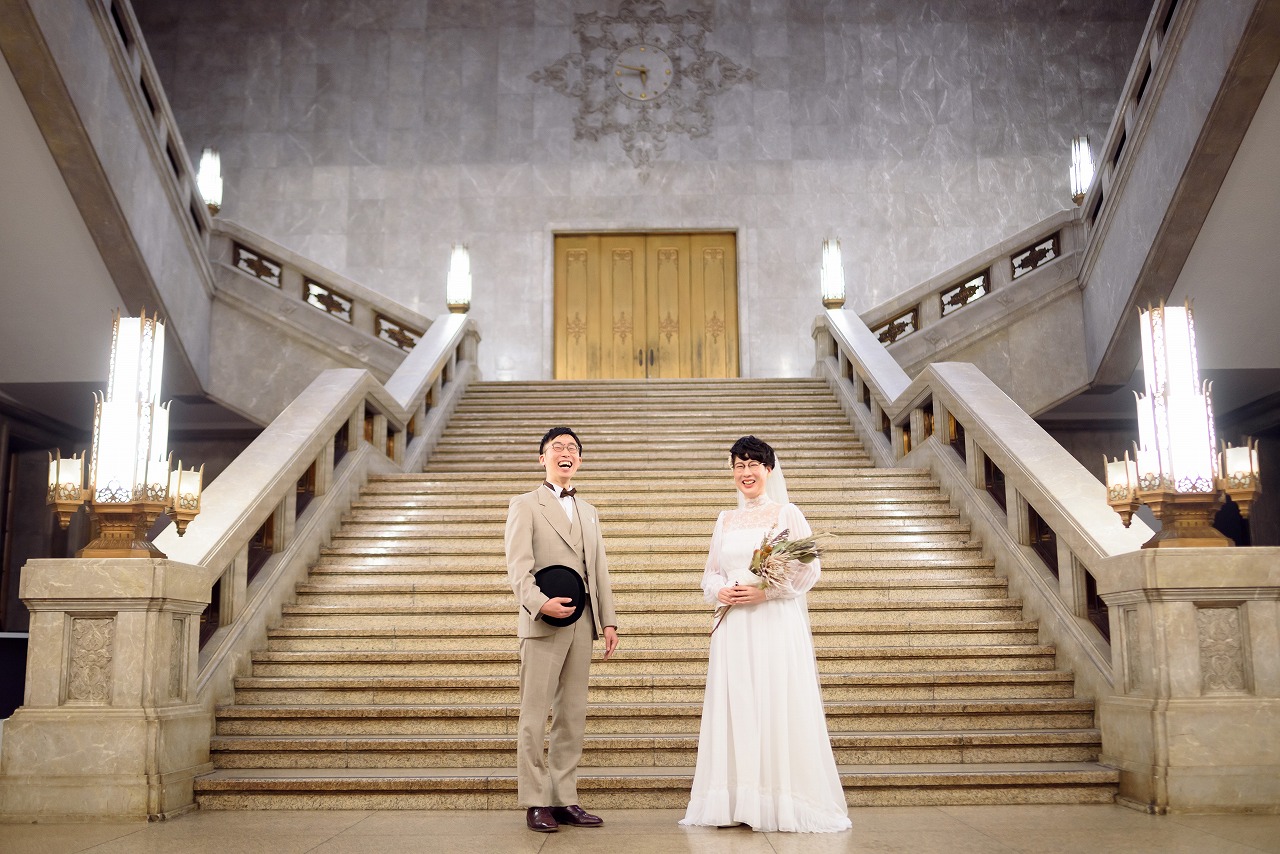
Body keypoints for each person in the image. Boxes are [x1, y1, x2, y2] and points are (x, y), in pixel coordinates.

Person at [680, 435, 851, 833]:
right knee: (737, 701)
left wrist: (766, 591)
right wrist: (717, 590)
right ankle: (736, 801)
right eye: (738, 466)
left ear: (769, 470)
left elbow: (809, 571)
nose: (745, 472)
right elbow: (711, 571)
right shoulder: (725, 519)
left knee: (774, 700)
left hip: (772, 621)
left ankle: (778, 802)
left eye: (753, 464)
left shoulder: (787, 514)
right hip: (733, 626)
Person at [505, 426, 620, 833]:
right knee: (534, 715)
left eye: (572, 448)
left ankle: (565, 797)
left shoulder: (588, 510)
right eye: (558, 447)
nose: (565, 452)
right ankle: (535, 801)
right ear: (542, 458)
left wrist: (608, 619)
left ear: (580, 461)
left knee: (572, 715)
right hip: (542, 623)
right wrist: (540, 603)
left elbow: (600, 570)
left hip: (582, 623)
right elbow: (518, 569)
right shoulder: (525, 505)